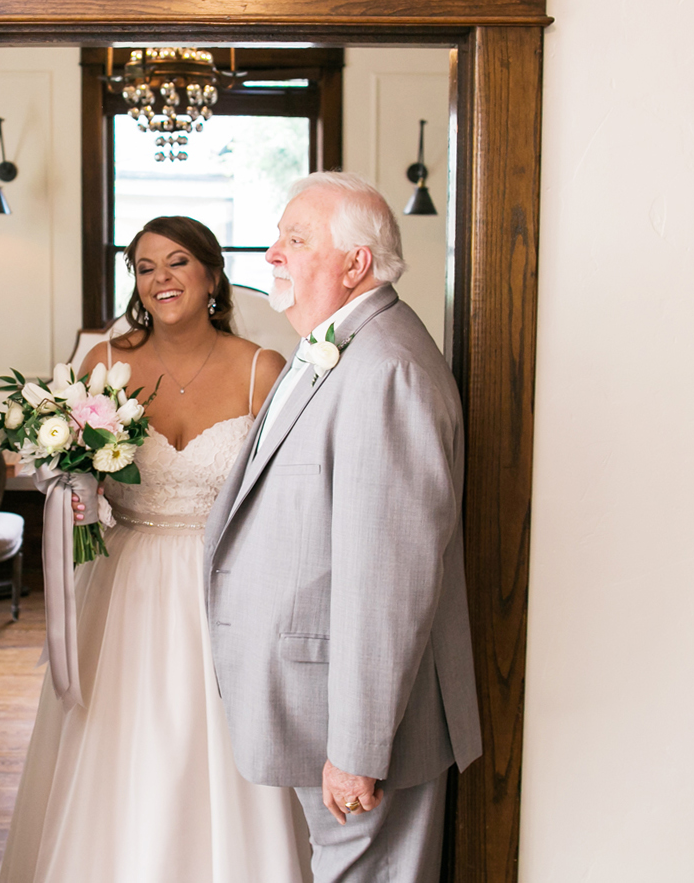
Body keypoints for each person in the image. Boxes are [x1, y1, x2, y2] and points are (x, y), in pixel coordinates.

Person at [0, 215, 308, 883]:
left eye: (177, 263)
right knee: (123, 742)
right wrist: (71, 478)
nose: (161, 278)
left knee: (216, 744)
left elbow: (287, 496)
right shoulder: (105, 363)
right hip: (126, 578)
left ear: (212, 275)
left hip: (224, 583)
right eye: (145, 267)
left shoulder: (263, 369)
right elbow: (75, 470)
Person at [204, 172, 482, 883]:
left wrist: (359, 746)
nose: (272, 254)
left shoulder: (386, 366)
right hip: (317, 698)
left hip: (356, 717)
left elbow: (388, 575)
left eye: (296, 239)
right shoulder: (341, 345)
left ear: (355, 264)